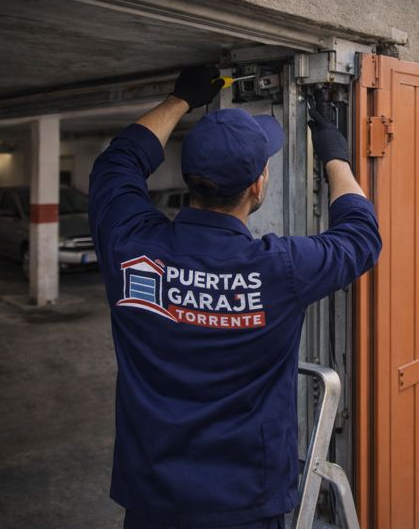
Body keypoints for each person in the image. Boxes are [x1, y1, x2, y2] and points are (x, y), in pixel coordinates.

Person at [88, 65, 381, 528]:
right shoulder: (280, 270)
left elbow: (116, 163)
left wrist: (180, 99)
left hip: (151, 500)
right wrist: (336, 157)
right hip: (245, 504)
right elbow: (361, 238)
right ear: (257, 186)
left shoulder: (130, 246)